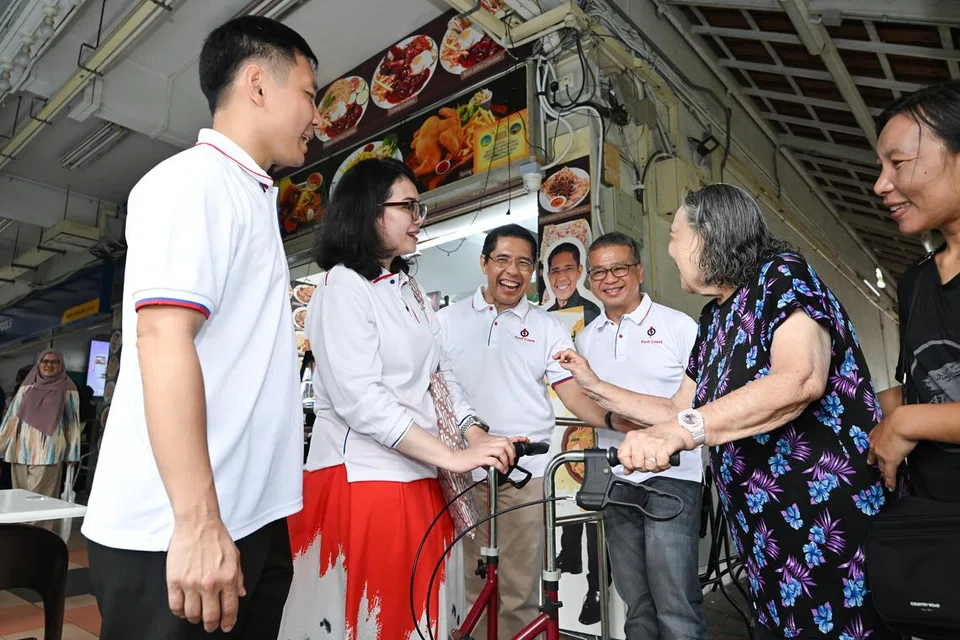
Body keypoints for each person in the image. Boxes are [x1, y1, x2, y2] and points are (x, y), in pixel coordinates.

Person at [555, 184, 898, 640]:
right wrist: (596, 386)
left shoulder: (782, 275)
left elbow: (800, 379)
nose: (671, 249)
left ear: (708, 236)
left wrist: (682, 431)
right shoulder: (715, 317)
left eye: (675, 235)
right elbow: (677, 408)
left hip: (820, 521)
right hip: (763, 529)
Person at [81, 16, 320, 640]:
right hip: (177, 535)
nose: (316, 116)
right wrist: (197, 523)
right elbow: (163, 339)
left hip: (246, 520)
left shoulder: (250, 195)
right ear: (258, 85)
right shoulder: (194, 181)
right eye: (310, 94)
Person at [279, 158, 520, 640]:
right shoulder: (341, 286)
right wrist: (454, 455)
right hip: (364, 480)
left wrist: (474, 432)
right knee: (373, 620)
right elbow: (360, 401)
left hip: (420, 473)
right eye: (407, 205)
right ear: (369, 212)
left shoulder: (406, 286)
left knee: (423, 617)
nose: (418, 216)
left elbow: (441, 371)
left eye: (418, 206)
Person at [438, 224, 634, 637]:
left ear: (534, 272)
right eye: (503, 260)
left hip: (527, 474)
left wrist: (618, 422)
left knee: (522, 586)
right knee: (472, 581)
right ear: (484, 263)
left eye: (524, 263)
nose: (512, 271)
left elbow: (574, 396)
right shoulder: (446, 321)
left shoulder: (546, 326)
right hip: (465, 473)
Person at [573, 232, 706, 638]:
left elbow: (699, 406)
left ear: (639, 271)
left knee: (675, 604)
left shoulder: (680, 327)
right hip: (617, 479)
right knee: (636, 602)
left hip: (673, 477)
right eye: (599, 272)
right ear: (590, 280)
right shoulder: (586, 338)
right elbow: (592, 410)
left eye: (619, 268)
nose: (609, 279)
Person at [869, 80, 960, 502]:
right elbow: (927, 387)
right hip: (932, 521)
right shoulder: (917, 280)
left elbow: (913, 413)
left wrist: (905, 422)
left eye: (899, 162)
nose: (880, 185)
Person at [0, 349, 80, 498]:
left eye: (54, 362)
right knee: (19, 496)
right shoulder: (27, 386)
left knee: (38, 499)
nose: (49, 365)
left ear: (61, 364)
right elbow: (12, 417)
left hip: (48, 451)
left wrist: (72, 453)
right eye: (45, 361)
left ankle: (38, 523)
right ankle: (21, 523)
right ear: (39, 363)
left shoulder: (68, 389)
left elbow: (72, 423)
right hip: (20, 449)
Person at [546, 241, 600, 325]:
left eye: (569, 269)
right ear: (549, 276)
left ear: (579, 271)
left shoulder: (590, 312)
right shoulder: (547, 316)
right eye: (555, 271)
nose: (561, 278)